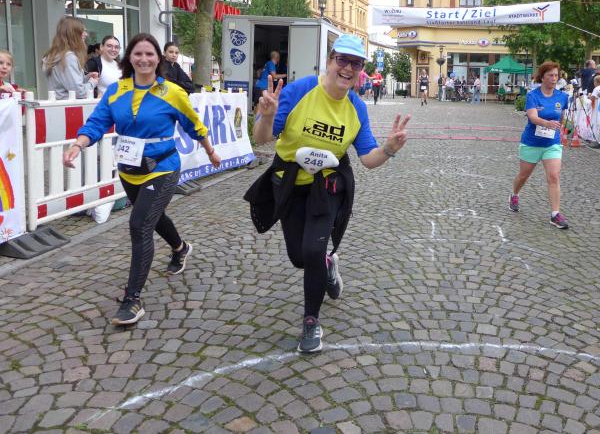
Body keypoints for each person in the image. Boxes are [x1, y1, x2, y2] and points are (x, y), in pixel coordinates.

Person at [245, 35, 410, 353]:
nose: (348, 68)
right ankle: (328, 265)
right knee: (299, 257)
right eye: (342, 60)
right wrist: (267, 115)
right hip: (290, 182)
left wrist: (388, 149)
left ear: (360, 71)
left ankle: (311, 322)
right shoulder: (301, 90)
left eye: (356, 64)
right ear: (329, 61)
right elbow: (262, 139)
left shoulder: (356, 108)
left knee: (312, 249)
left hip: (328, 186)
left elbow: (368, 159)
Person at [63, 33, 221, 325]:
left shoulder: (172, 92)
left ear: (158, 59)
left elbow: (193, 125)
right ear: (130, 58)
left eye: (150, 54)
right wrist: (78, 144)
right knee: (153, 217)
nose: (144, 59)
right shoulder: (116, 90)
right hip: (129, 169)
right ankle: (181, 248)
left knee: (139, 224)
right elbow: (97, 122)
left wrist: (210, 151)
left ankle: (132, 299)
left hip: (162, 167)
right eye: (138, 53)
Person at [508, 61, 570, 229]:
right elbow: (532, 117)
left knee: (553, 176)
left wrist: (560, 130)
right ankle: (514, 194)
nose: (554, 78)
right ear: (542, 77)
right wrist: (546, 123)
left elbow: (561, 117)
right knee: (524, 175)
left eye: (556, 75)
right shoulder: (533, 96)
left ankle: (555, 214)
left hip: (552, 144)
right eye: (550, 75)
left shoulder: (562, 97)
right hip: (532, 143)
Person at [44, 16, 98, 100]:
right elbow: (79, 92)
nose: (86, 34)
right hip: (71, 105)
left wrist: (86, 78)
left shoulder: (55, 55)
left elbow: (64, 84)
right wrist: (92, 82)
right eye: (83, 31)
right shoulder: (69, 58)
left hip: (59, 104)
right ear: (73, 33)